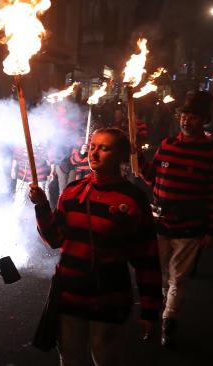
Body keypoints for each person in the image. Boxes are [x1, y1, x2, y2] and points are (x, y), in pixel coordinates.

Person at [29, 127, 162, 366]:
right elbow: (55, 239)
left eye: (104, 148)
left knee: (106, 359)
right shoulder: (72, 192)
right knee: (70, 359)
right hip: (70, 293)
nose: (94, 153)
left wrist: (150, 310)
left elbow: (146, 258)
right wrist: (41, 207)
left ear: (120, 156)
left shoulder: (132, 199)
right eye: (92, 146)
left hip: (109, 296)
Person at [140, 91, 213, 347]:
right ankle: (160, 308)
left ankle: (169, 319)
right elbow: (151, 177)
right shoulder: (168, 145)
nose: (186, 121)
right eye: (183, 116)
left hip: (190, 228)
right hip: (159, 223)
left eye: (192, 117)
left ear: (204, 120)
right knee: (157, 274)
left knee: (178, 277)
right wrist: (137, 158)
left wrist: (212, 230)